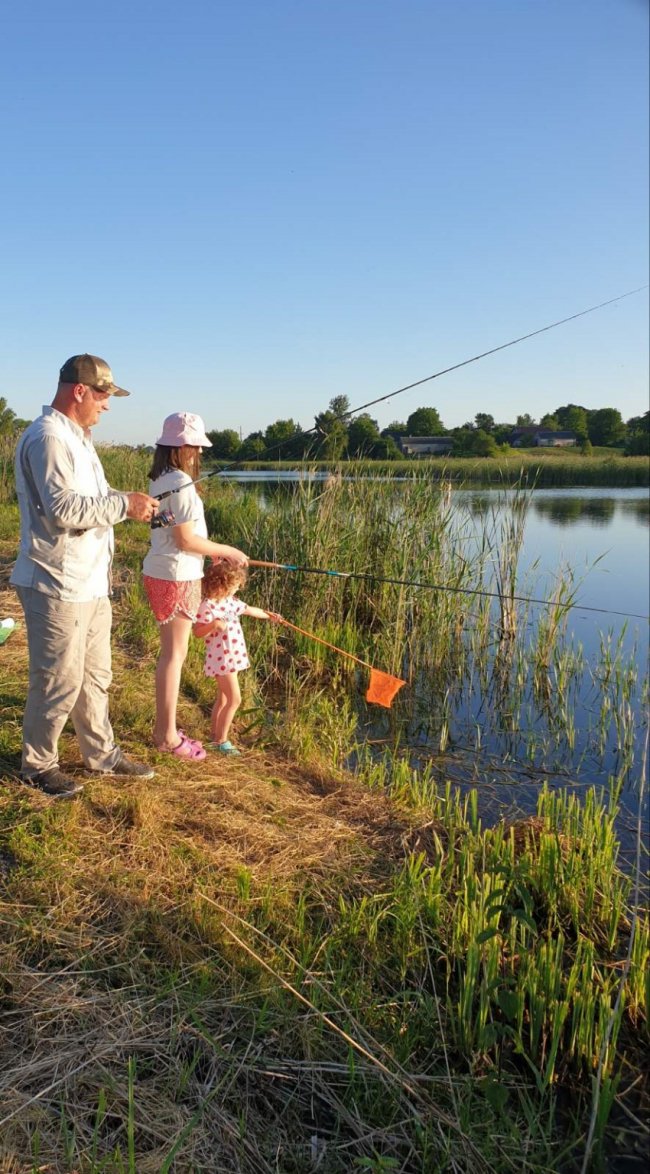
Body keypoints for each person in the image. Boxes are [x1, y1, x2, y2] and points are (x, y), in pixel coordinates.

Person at [10, 353, 161, 799]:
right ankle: (37, 766)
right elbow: (63, 510)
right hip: (55, 581)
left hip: (89, 581)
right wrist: (123, 507)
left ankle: (102, 754)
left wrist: (130, 500)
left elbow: (92, 496)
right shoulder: (50, 438)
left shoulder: (80, 438)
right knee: (58, 679)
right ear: (80, 391)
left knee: (95, 675)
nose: (107, 405)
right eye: (103, 395)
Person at [142, 412, 248, 759]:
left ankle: (165, 729)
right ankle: (166, 735)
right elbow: (186, 539)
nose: (198, 454)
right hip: (177, 575)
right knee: (174, 655)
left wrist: (210, 552)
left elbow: (176, 534)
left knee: (171, 653)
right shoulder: (181, 482)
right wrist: (226, 550)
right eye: (196, 448)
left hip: (161, 570)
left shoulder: (159, 478)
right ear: (185, 447)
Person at [192, 561, 282, 755]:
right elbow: (198, 632)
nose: (235, 590)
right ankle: (221, 741)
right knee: (235, 700)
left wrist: (269, 615)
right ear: (221, 585)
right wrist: (214, 624)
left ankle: (214, 736)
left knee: (223, 699)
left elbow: (250, 610)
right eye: (233, 587)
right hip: (221, 659)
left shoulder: (231, 602)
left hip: (232, 656)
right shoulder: (208, 606)